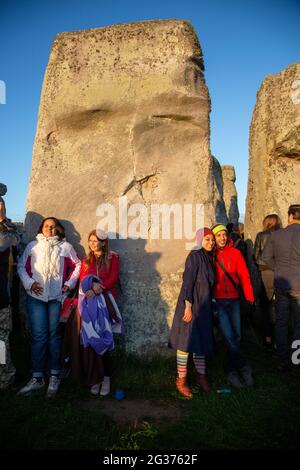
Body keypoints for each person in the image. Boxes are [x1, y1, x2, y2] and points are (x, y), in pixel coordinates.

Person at [17, 217, 81, 397]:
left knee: (54, 337)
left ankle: (54, 375)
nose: (50, 229)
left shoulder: (65, 247)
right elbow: (21, 267)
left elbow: (78, 265)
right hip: (35, 297)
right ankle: (37, 377)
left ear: (58, 229)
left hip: (56, 298)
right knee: (39, 337)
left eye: (53, 227)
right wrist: (29, 283)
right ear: (42, 228)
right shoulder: (32, 246)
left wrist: (69, 284)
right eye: (46, 226)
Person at [62, 229, 121, 396]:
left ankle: (107, 378)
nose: (93, 243)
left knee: (104, 339)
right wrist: (87, 289)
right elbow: (81, 282)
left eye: (96, 241)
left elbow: (113, 278)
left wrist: (97, 288)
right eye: (91, 240)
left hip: (105, 304)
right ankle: (95, 378)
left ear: (103, 242)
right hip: (88, 306)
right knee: (91, 340)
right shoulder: (86, 261)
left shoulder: (112, 258)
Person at [169, 227, 215, 398]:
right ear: (199, 240)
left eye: (212, 240)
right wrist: (188, 305)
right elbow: (188, 281)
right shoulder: (194, 256)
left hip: (203, 306)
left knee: (201, 342)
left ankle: (201, 376)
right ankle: (181, 380)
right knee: (185, 342)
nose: (210, 242)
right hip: (191, 304)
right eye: (207, 239)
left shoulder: (208, 257)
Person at [211, 223, 255, 388]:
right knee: (229, 336)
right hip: (219, 301)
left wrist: (250, 298)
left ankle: (230, 369)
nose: (222, 238)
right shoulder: (211, 255)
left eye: (224, 234)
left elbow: (244, 276)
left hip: (235, 300)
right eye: (218, 235)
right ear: (214, 238)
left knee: (236, 336)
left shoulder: (236, 253)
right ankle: (244, 368)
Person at [262, 204, 300, 375]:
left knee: (282, 321)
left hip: (281, 282)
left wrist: (277, 268)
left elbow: (265, 258)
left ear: (290, 216)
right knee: (298, 324)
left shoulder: (277, 235)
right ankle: (296, 361)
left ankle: (282, 359)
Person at [253, 214, 282, 350]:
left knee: (265, 306)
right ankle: (278, 339)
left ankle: (268, 337)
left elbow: (256, 255)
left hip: (265, 273)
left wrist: (263, 265)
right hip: (281, 273)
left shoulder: (261, 235)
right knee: (278, 306)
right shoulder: (283, 235)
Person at [0, 200, 19, 389]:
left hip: (1, 297)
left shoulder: (9, 229)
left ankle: (5, 377)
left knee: (1, 341)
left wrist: (2, 220)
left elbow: (4, 243)